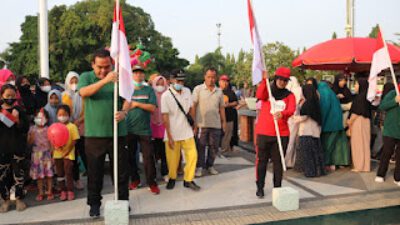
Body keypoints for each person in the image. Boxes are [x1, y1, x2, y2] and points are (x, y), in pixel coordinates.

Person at [77, 49, 130, 217]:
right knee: (94, 172)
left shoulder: (119, 77)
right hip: (94, 135)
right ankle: (94, 204)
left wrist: (124, 112)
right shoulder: (86, 77)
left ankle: (122, 201)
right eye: (99, 67)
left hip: (117, 133)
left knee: (121, 172)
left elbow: (128, 98)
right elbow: (83, 92)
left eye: (107, 67)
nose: (103, 70)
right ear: (93, 64)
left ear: (112, 64)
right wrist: (105, 80)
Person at [255, 67, 296, 198]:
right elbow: (259, 96)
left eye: (285, 80)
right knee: (262, 162)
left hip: (281, 134)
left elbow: (291, 109)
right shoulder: (267, 91)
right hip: (264, 132)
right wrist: (263, 80)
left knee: (278, 163)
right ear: (276, 78)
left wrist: (283, 114)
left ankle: (277, 188)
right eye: (280, 79)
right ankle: (260, 187)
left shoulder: (290, 95)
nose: (282, 82)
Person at [162, 72, 200, 191]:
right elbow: (165, 116)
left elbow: (191, 108)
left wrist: (194, 124)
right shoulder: (166, 96)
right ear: (172, 80)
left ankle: (188, 180)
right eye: (178, 81)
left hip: (187, 131)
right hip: (172, 132)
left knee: (193, 156)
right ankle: (172, 178)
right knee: (172, 160)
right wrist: (169, 135)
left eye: (182, 81)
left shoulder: (187, 91)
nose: (180, 83)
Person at [125, 65, 159, 194]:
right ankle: (135, 180)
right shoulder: (126, 90)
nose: (138, 75)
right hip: (129, 129)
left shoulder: (149, 90)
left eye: (140, 73)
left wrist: (137, 104)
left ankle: (152, 182)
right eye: (135, 73)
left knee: (148, 158)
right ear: (132, 75)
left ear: (144, 75)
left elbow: (152, 108)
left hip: (144, 130)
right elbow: (123, 107)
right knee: (130, 157)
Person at [0, 84, 29, 212]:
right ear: (2, 96)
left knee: (19, 175)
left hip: (18, 148)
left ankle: (19, 199)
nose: (10, 98)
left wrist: (17, 120)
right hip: (2, 150)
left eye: (13, 95)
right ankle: (5, 200)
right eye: (7, 96)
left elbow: (25, 128)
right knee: (3, 176)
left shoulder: (20, 110)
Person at [192, 67, 226, 177]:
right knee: (200, 147)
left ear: (216, 78)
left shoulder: (219, 91)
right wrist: (194, 124)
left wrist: (223, 122)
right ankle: (199, 167)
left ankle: (210, 165)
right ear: (204, 77)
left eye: (213, 77)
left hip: (216, 124)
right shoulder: (198, 89)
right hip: (201, 124)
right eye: (209, 77)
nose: (211, 79)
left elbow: (221, 108)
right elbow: (193, 106)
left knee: (214, 147)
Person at [294, 84, 325, 177]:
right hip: (315, 132)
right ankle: (318, 171)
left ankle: (310, 172)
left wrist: (294, 118)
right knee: (316, 153)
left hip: (306, 132)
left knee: (308, 155)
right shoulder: (316, 102)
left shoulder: (307, 104)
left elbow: (304, 117)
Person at [318, 81, 350, 171]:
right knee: (338, 145)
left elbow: (324, 109)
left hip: (329, 124)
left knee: (327, 145)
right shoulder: (331, 92)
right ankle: (340, 163)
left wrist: (321, 123)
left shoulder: (323, 92)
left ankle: (327, 163)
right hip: (337, 123)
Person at [62, 71, 85, 190]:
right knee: (73, 156)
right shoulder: (64, 95)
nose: (74, 84)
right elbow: (63, 112)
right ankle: (76, 179)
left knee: (85, 153)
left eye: (76, 81)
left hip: (82, 128)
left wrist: (79, 120)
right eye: (72, 81)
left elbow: (86, 110)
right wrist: (71, 122)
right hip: (69, 130)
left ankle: (92, 176)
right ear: (67, 82)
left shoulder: (82, 94)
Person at [53, 105, 80, 201]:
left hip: (69, 154)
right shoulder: (55, 127)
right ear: (57, 116)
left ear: (69, 115)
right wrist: (54, 146)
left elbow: (74, 140)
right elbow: (52, 139)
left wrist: (68, 151)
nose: (62, 116)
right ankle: (62, 191)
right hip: (57, 154)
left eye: (64, 114)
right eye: (60, 114)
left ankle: (70, 190)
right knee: (60, 173)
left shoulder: (72, 126)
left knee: (68, 172)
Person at [375, 84, 400, 185]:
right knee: (387, 152)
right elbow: (382, 106)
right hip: (390, 130)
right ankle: (380, 174)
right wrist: (395, 101)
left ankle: (398, 177)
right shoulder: (392, 93)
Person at [28, 108, 54, 201]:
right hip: (36, 155)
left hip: (46, 153)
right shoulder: (32, 129)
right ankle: (41, 192)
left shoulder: (48, 129)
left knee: (49, 175)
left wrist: (52, 153)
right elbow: (29, 143)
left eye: (43, 117)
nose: (40, 119)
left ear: (47, 119)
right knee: (39, 176)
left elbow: (51, 142)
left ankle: (49, 191)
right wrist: (31, 136)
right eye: (38, 117)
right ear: (35, 118)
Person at [347, 78, 371, 172]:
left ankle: (359, 166)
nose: (355, 86)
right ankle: (365, 166)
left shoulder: (359, 98)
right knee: (364, 143)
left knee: (358, 144)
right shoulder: (366, 96)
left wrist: (350, 121)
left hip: (358, 121)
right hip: (365, 121)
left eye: (356, 84)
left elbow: (357, 111)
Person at [150, 75, 169, 182]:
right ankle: (153, 175)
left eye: (162, 84)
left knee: (164, 153)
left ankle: (165, 172)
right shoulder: (151, 93)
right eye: (158, 84)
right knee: (152, 154)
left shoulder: (168, 94)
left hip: (164, 126)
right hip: (151, 126)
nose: (160, 86)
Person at [285, 76, 302, 168]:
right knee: (292, 141)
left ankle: (286, 160)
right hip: (295, 118)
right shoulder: (299, 90)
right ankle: (290, 161)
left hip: (288, 118)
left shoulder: (288, 91)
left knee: (288, 140)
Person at [219, 75, 238, 154]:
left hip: (229, 116)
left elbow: (236, 102)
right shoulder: (217, 92)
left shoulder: (231, 92)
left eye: (226, 81)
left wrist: (228, 105)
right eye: (223, 81)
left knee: (228, 134)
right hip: (218, 117)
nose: (225, 83)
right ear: (219, 82)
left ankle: (225, 149)